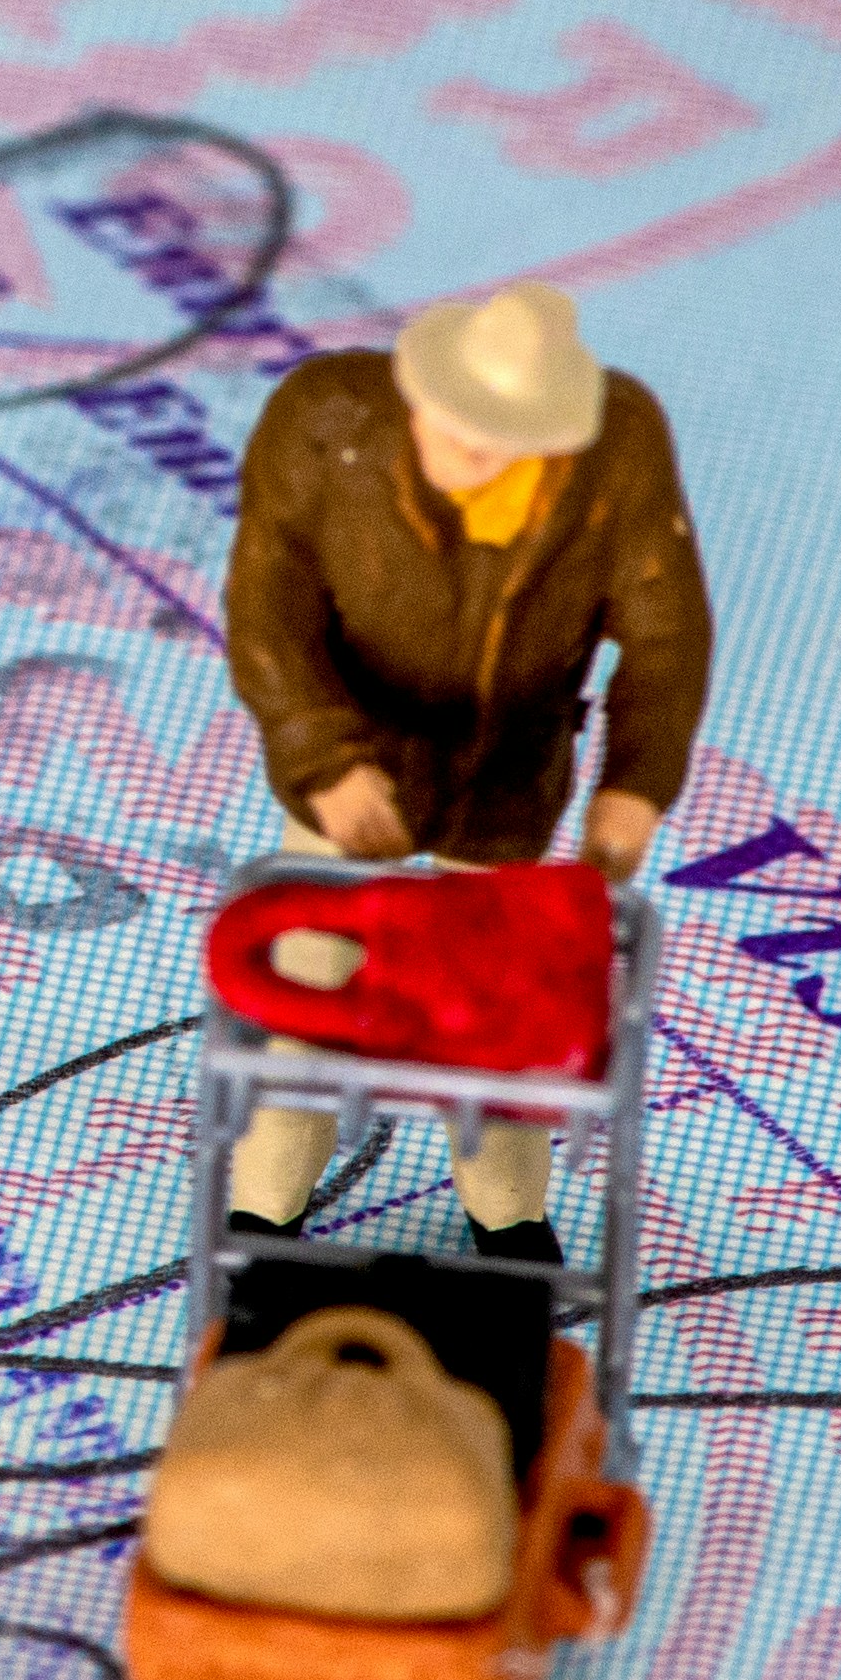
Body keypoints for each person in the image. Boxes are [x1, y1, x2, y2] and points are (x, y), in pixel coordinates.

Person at [221, 278, 711, 1259]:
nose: (460, 456)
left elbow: (665, 631)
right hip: (353, 755)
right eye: (447, 426)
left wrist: (632, 783)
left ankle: (508, 1221)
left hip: (507, 774)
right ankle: (261, 1208)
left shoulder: (615, 453)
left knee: (498, 1020)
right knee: (303, 999)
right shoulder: (323, 424)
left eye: (492, 444)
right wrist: (324, 760)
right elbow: (266, 606)